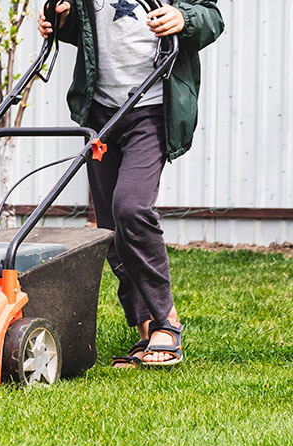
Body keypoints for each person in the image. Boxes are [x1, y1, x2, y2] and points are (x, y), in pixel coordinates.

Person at [38, 0, 223, 367]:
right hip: (101, 111)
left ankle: (166, 320)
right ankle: (145, 328)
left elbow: (211, 18)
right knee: (110, 225)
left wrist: (183, 17)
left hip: (152, 104)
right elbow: (87, 31)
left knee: (131, 208)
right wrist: (60, 21)